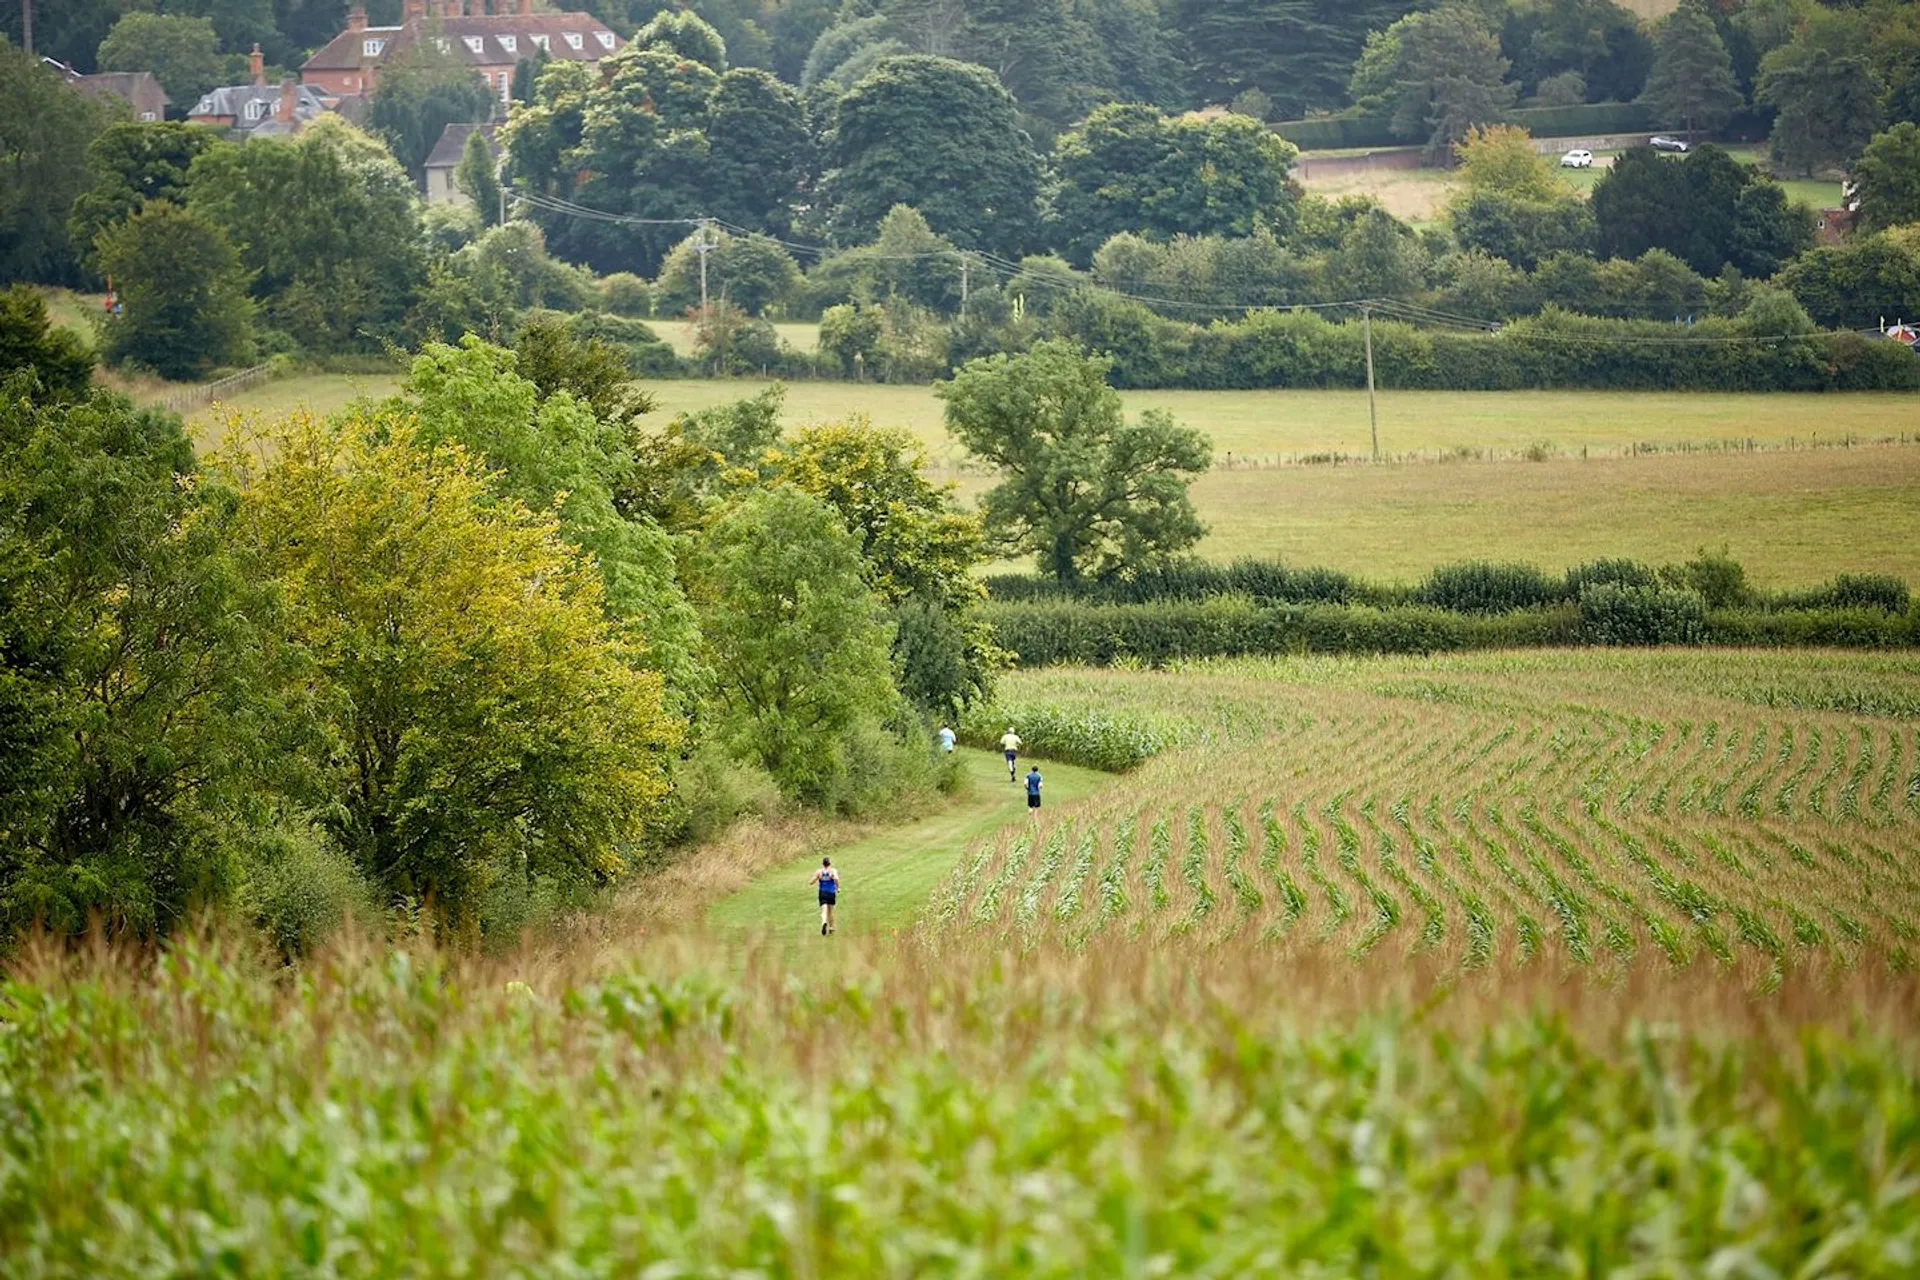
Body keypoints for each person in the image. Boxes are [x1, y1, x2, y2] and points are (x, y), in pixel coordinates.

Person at [809, 857, 840, 935]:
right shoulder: (833, 871)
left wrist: (813, 881)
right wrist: (838, 887)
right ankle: (831, 927)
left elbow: (812, 881)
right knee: (831, 911)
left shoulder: (819, 871)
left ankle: (824, 922)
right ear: (830, 864)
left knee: (824, 910)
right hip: (831, 892)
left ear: (823, 863)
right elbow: (836, 879)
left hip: (822, 893)